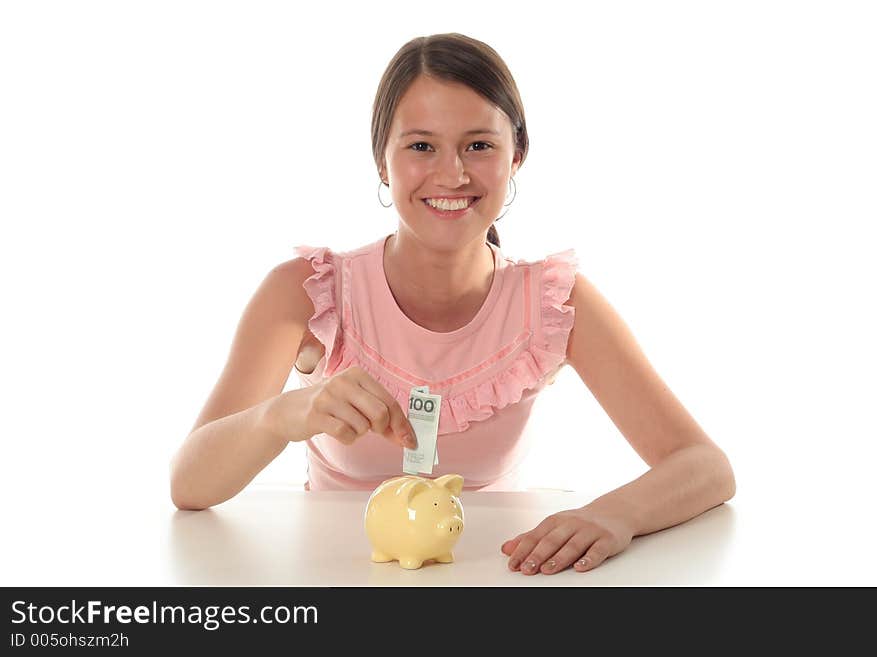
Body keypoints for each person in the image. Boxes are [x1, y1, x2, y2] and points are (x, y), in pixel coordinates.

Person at [169, 33, 736, 576]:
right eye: (421, 146)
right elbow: (190, 485)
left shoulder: (555, 301)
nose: (452, 173)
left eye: (479, 145)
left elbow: (704, 466)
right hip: (332, 580)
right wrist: (285, 414)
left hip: (498, 577)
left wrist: (615, 516)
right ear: (381, 161)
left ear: (517, 157)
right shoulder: (305, 291)